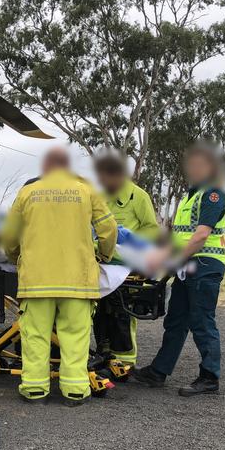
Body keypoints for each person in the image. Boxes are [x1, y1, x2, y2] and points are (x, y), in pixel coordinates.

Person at [2, 146, 118, 406]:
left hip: (37, 281)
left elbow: (9, 236)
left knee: (35, 337)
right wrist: (105, 255)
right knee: (75, 336)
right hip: (77, 280)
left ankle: (34, 390)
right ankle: (75, 390)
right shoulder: (87, 191)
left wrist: (16, 257)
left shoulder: (27, 193)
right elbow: (109, 228)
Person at [133, 142, 225, 396]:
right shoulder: (190, 197)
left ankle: (210, 377)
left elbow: (200, 237)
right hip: (188, 267)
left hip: (204, 266)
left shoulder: (212, 194)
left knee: (202, 321)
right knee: (176, 321)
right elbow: (182, 238)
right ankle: (158, 372)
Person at [93, 150, 159, 366]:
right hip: (102, 262)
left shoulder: (138, 196)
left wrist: (130, 244)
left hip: (126, 266)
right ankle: (103, 353)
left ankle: (124, 361)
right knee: (99, 310)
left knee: (121, 313)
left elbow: (151, 229)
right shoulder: (99, 196)